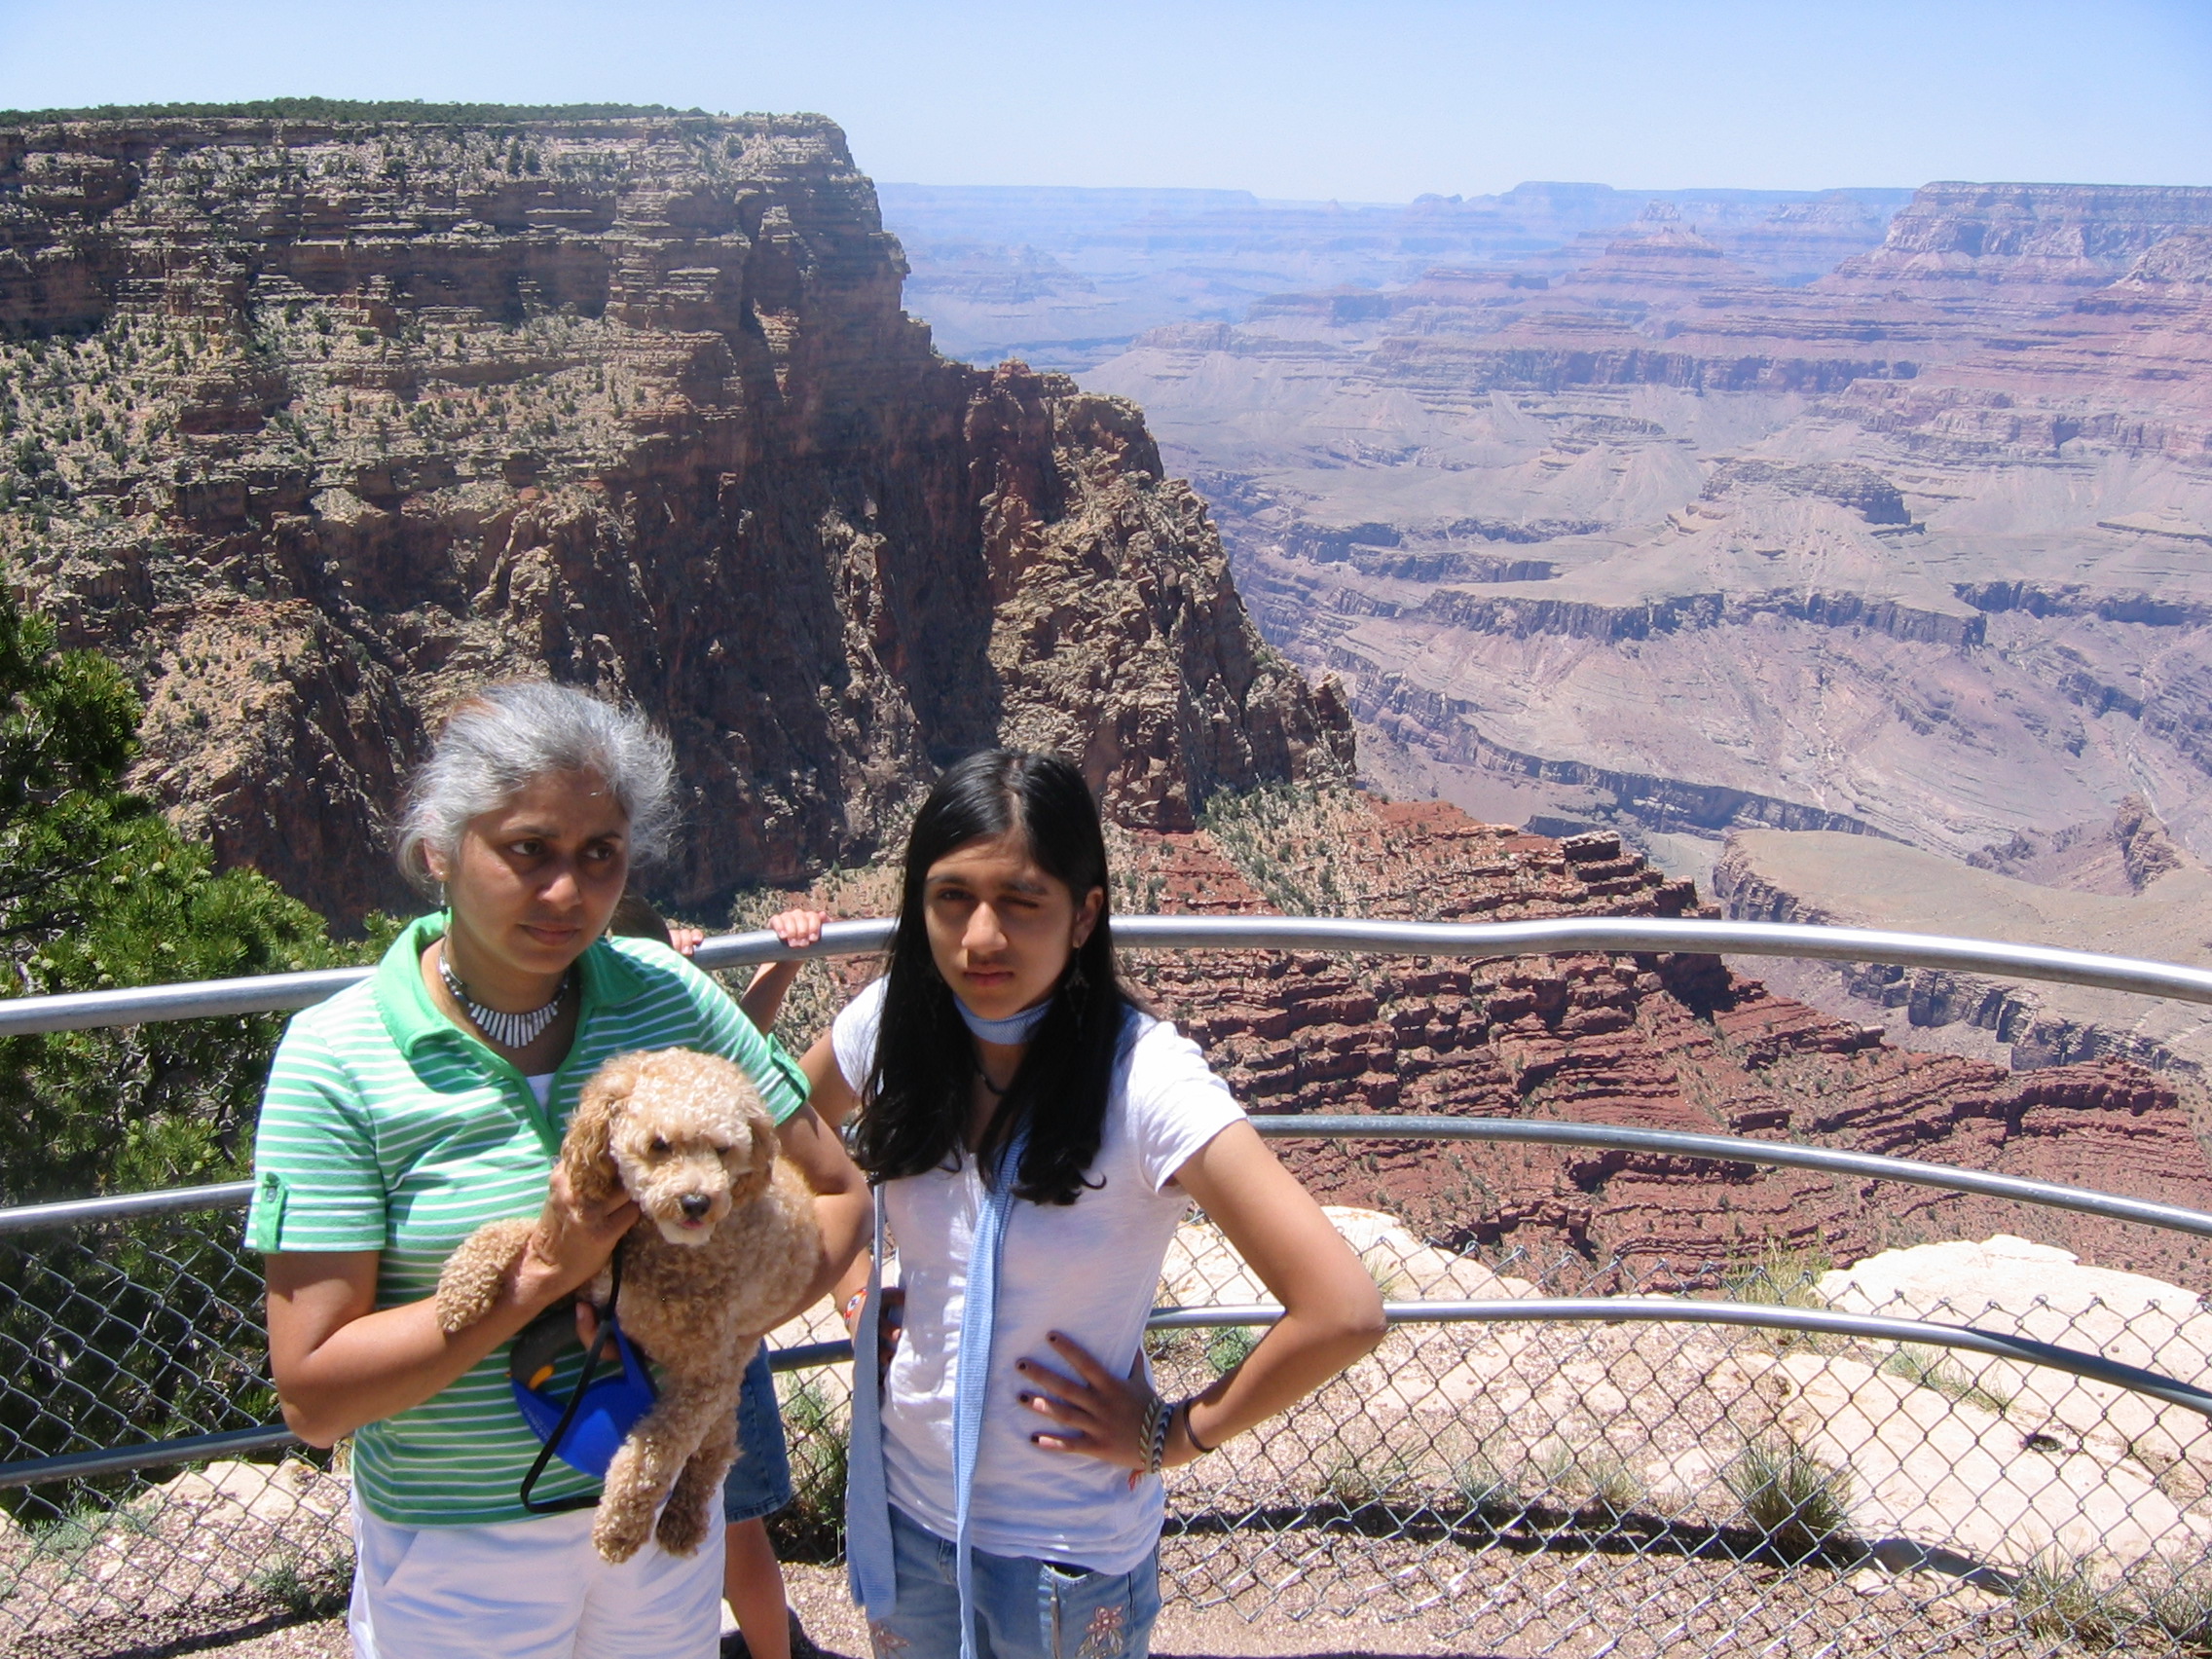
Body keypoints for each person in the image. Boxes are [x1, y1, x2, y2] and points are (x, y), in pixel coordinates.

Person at [248, 682, 870, 1659]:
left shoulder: (669, 999)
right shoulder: (337, 1058)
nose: (567, 893)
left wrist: (721, 1320)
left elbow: (837, 1192)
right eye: (527, 850)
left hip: (659, 1518)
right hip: (460, 1554)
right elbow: (315, 1397)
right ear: (439, 849)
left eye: (599, 855)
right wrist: (543, 1273)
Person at [797, 751, 1387, 1659]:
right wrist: (854, 1292)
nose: (981, 937)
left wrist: (1176, 1435)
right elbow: (777, 1138)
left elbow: (1343, 1309)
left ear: (1084, 914)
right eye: (952, 898)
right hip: (908, 1514)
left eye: (1021, 901)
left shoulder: (1145, 1078)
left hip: (1065, 1558)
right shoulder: (891, 1025)